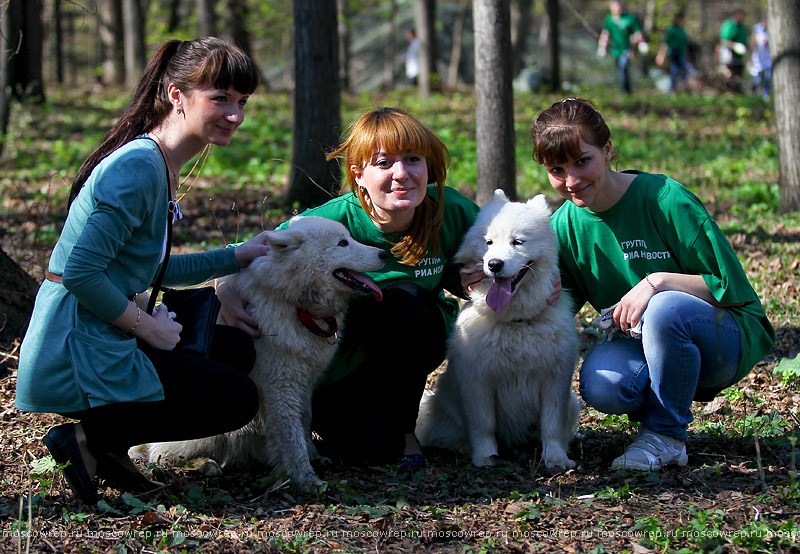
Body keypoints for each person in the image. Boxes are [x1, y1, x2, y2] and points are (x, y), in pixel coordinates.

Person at [16, 37, 269, 504]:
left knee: (234, 348)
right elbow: (81, 272)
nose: (235, 114)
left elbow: (151, 268)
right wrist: (147, 327)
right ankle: (90, 441)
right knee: (237, 400)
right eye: (220, 98)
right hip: (76, 341)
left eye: (241, 101)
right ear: (176, 95)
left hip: (99, 327)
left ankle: (107, 445)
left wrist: (238, 255)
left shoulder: (159, 162)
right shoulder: (136, 168)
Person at [219, 107, 479, 468]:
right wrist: (224, 289)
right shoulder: (328, 223)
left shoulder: (450, 209)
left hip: (409, 348)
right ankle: (357, 425)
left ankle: (406, 429)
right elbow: (250, 253)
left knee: (407, 303)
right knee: (372, 451)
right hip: (336, 368)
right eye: (384, 162)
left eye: (413, 159)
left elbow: (501, 252)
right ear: (358, 174)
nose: (401, 174)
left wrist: (491, 281)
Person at [529, 98, 775, 471]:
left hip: (725, 336)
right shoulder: (565, 223)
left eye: (583, 161)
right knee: (602, 383)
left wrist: (657, 281)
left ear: (607, 150)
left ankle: (667, 436)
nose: (571, 180)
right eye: (556, 169)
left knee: (663, 306)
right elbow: (563, 297)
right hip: (645, 344)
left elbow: (730, 287)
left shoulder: (663, 199)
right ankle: (664, 406)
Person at [597, 0, 645, 94]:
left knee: (623, 67)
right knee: (620, 70)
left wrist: (641, 43)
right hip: (615, 50)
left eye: (619, 6)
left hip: (627, 49)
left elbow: (637, 33)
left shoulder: (630, 18)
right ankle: (626, 90)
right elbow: (605, 34)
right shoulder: (609, 20)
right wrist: (602, 47)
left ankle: (623, 91)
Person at [655, 13, 695, 93]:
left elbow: (685, 44)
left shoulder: (682, 30)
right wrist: (661, 55)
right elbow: (665, 43)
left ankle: (681, 87)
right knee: (676, 69)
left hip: (681, 53)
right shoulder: (671, 30)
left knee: (681, 69)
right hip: (674, 52)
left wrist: (687, 55)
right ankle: (674, 88)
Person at [719, 9, 749, 93]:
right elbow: (724, 41)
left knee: (738, 75)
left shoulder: (743, 28)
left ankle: (737, 91)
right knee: (729, 74)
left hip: (739, 57)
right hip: (729, 55)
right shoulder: (729, 25)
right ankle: (728, 91)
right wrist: (735, 46)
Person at [750, 15, 771, 100]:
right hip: (757, 59)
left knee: (767, 77)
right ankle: (753, 96)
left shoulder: (771, 30)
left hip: (768, 59)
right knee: (757, 79)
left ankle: (766, 95)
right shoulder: (757, 28)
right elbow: (753, 43)